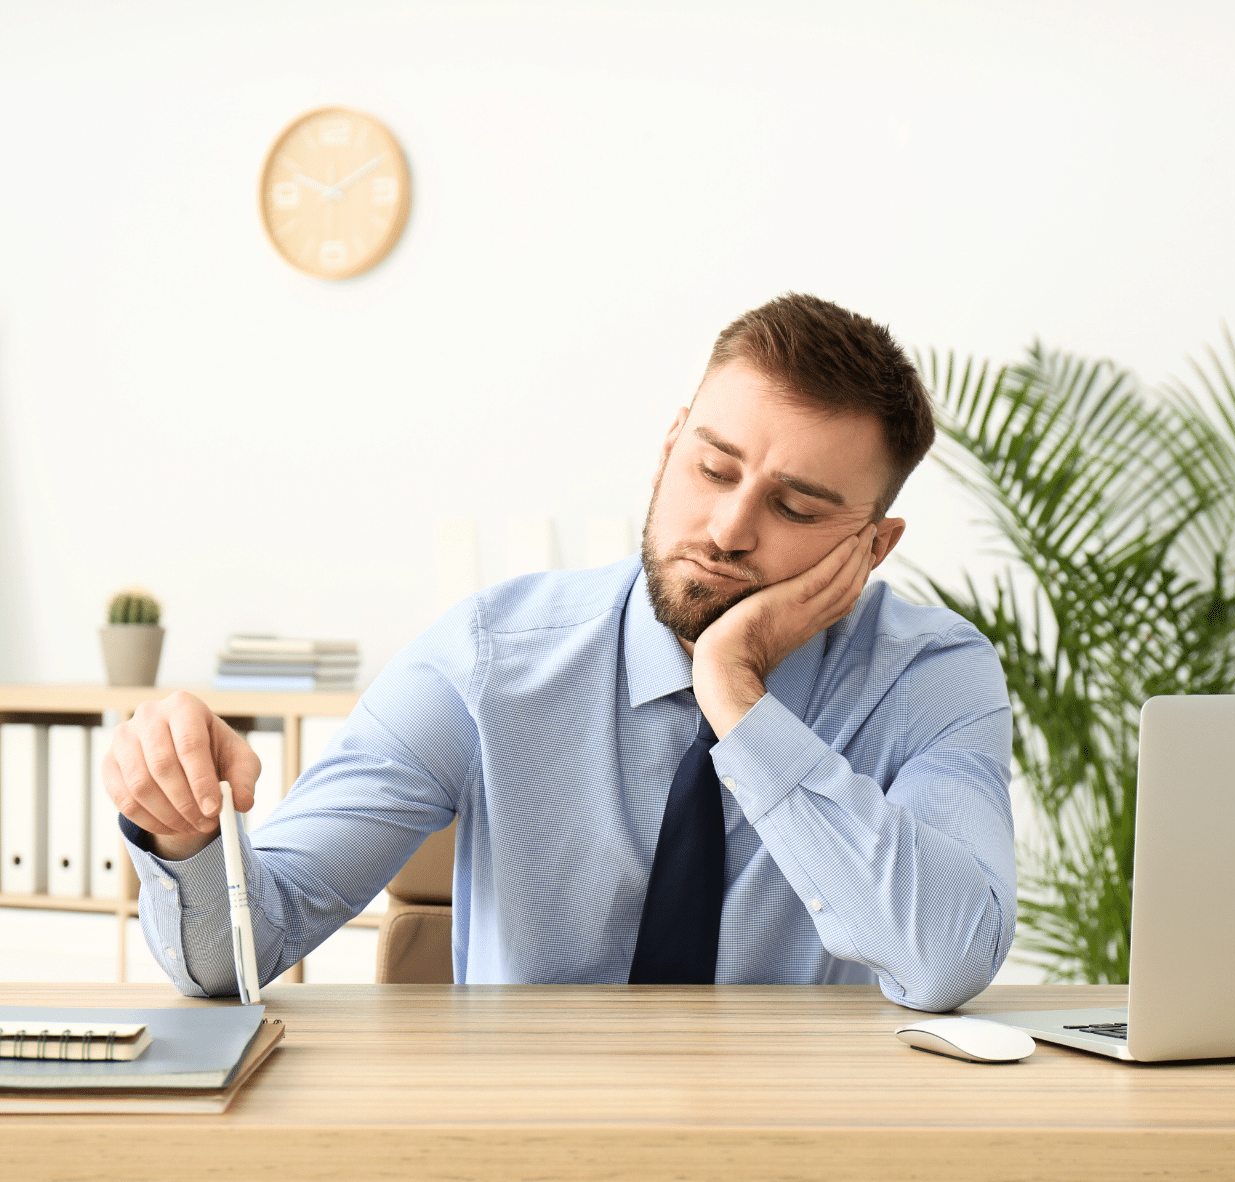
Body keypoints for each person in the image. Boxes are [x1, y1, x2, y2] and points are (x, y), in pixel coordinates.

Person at [104, 293, 1015, 1012]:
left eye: (798, 508)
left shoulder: (930, 676)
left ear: (873, 547)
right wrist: (182, 833)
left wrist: (738, 699)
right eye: (712, 468)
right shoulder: (488, 658)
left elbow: (945, 961)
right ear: (669, 448)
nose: (730, 528)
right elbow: (239, 955)